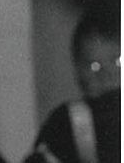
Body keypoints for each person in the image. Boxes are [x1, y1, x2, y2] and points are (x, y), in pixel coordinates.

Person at [26, 9, 121, 163]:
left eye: (118, 61)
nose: (106, 74)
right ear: (78, 71)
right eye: (94, 66)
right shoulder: (70, 122)